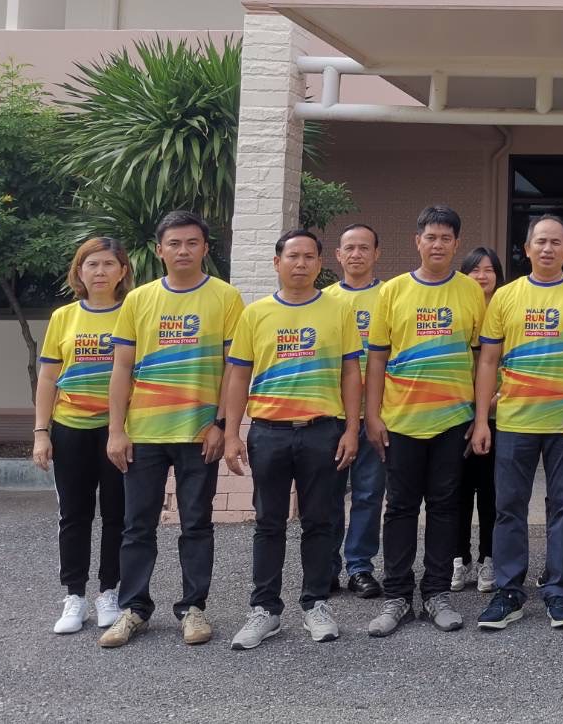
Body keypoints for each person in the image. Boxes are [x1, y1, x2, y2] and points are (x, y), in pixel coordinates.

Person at [100, 211, 245, 649]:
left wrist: (221, 423)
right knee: (136, 526)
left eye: (192, 243)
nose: (183, 251)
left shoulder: (226, 297)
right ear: (159, 249)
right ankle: (133, 609)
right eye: (175, 243)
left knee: (196, 523)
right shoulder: (138, 300)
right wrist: (116, 431)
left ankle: (193, 608)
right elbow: (121, 368)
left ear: (205, 248)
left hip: (199, 434)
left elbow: (233, 369)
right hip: (144, 434)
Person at [472, 214, 563, 631]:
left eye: (556, 242)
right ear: (527, 248)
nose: (548, 248)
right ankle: (508, 592)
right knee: (508, 507)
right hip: (515, 421)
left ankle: (558, 591)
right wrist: (482, 420)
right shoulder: (505, 297)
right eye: (541, 241)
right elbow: (488, 361)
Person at [223, 229, 362, 650]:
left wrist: (351, 428)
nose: (300, 264)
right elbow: (238, 375)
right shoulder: (255, 314)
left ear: (320, 263)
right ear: (276, 262)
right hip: (269, 432)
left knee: (321, 521)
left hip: (323, 431)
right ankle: (264, 609)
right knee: (268, 522)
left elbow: (351, 372)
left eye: (308, 257)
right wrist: (231, 433)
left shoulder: (339, 310)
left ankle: (316, 604)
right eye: (292, 256)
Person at [363, 205, 486, 637]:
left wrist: (480, 417)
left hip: (453, 421)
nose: (437, 244)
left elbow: (481, 359)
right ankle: (397, 596)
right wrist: (372, 415)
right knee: (399, 508)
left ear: (456, 244)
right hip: (400, 421)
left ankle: (436, 594)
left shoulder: (470, 292)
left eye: (446, 238)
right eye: (430, 237)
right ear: (417, 241)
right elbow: (376, 359)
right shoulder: (392, 291)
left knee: (445, 507)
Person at [33, 237, 132, 635]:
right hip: (70, 428)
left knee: (117, 515)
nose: (100, 271)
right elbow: (47, 378)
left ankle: (109, 592)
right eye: (92, 264)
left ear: (122, 271)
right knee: (74, 515)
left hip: (118, 431)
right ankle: (74, 595)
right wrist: (41, 433)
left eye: (108, 264)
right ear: (79, 271)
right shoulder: (64, 317)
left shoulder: (133, 313)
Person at [323, 222, 385, 599]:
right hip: (330, 415)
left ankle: (360, 566)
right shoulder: (324, 300)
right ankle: (326, 566)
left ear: (377, 253)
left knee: (368, 494)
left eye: (364, 248)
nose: (357, 254)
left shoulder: (390, 295)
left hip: (374, 414)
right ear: (338, 255)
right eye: (350, 248)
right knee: (328, 496)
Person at [452, 246, 504, 594]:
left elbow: (515, 365)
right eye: (475, 270)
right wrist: (470, 410)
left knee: (490, 492)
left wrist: (487, 407)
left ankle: (489, 558)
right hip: (457, 415)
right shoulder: (458, 311)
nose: (482, 276)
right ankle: (458, 558)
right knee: (456, 492)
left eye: (489, 270)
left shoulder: (506, 309)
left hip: (499, 415)